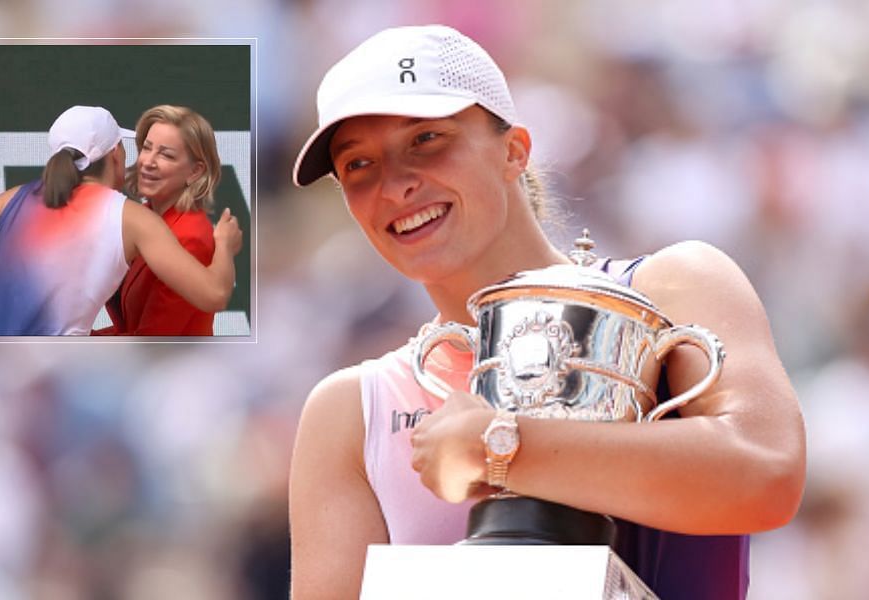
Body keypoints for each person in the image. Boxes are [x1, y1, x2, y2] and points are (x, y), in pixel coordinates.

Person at [287, 25, 806, 599]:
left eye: (426, 139)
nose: (395, 186)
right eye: (358, 165)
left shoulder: (673, 287)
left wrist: (500, 447)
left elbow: (767, 471)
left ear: (514, 150)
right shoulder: (351, 412)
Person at [0, 105, 242, 336]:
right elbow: (213, 295)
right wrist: (225, 246)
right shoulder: (133, 218)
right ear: (115, 155)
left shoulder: (12, 197)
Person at [96, 105, 226, 336]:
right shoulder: (144, 218)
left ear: (195, 172)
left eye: (166, 154)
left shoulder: (189, 239)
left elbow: (154, 341)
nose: (148, 162)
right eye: (147, 148)